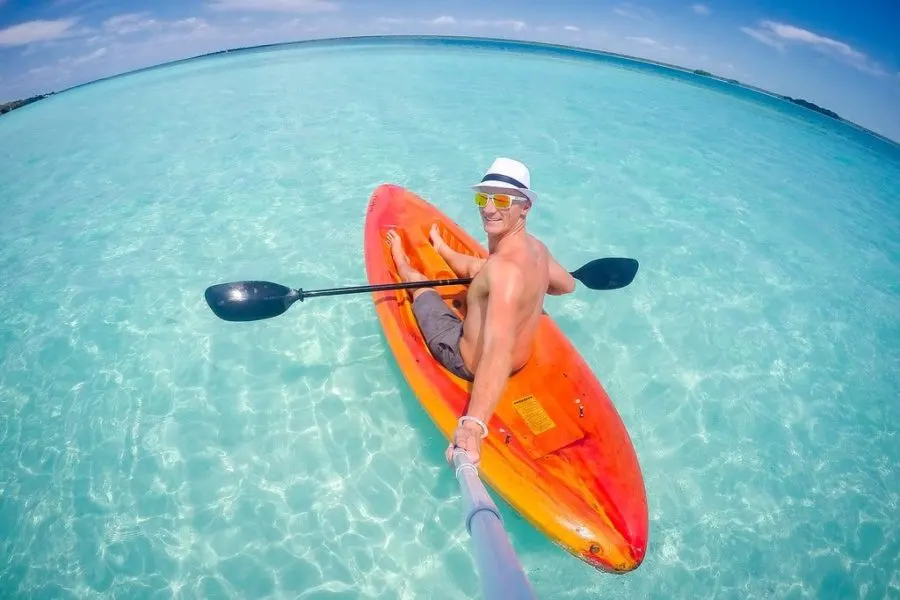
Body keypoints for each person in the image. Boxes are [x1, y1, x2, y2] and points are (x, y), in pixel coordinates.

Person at [385, 157, 577, 466]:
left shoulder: (502, 272)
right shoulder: (537, 250)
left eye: (501, 200)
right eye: (482, 197)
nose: (488, 208)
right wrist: (536, 284)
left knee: (422, 287)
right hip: (521, 356)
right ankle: (444, 251)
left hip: (466, 359)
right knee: (483, 270)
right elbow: (567, 285)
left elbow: (497, 351)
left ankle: (405, 266)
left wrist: (473, 425)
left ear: (525, 206)